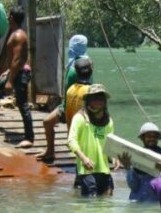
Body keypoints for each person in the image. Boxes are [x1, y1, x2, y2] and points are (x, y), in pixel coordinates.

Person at [0, 6, 33, 148]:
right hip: (14, 71)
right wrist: (7, 72)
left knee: (22, 104)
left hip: (21, 73)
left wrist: (10, 81)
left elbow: (17, 59)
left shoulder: (18, 35)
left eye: (9, 16)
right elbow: (14, 59)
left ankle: (29, 138)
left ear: (12, 18)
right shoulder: (14, 33)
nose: (7, 18)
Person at [39, 35, 89, 163]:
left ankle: (52, 152)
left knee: (48, 123)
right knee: (48, 123)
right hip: (71, 104)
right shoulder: (84, 62)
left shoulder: (76, 67)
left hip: (73, 106)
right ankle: (50, 151)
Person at [66, 84, 115, 196]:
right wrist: (83, 158)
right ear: (88, 101)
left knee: (108, 198)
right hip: (87, 170)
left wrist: (115, 158)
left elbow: (110, 144)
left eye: (100, 98)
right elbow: (71, 141)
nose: (98, 101)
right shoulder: (80, 118)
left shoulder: (108, 121)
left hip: (104, 169)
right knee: (90, 201)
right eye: (94, 98)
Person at [120, 121, 161, 202]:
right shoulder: (135, 156)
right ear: (142, 138)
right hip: (137, 200)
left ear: (158, 138)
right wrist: (128, 168)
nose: (152, 139)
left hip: (155, 202)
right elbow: (134, 186)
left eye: (154, 136)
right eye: (149, 136)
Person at [64, 58, 93, 129]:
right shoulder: (91, 91)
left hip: (72, 134)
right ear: (91, 72)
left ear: (76, 73)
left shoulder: (70, 90)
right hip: (86, 136)